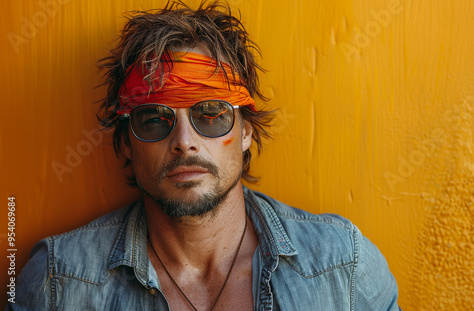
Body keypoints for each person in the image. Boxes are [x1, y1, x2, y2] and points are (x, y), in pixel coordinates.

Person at [9, 1, 400, 310]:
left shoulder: (344, 269)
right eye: (153, 119)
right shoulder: (57, 282)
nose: (184, 141)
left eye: (211, 114)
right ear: (126, 141)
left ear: (245, 130)